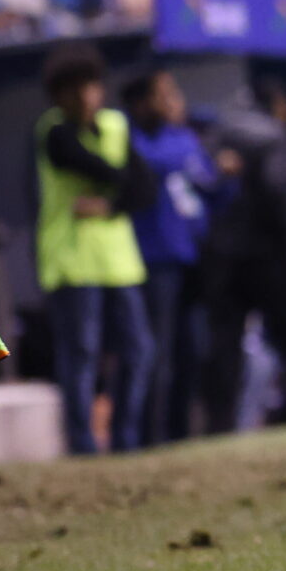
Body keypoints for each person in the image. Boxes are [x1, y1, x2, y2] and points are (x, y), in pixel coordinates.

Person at [34, 44, 155, 454]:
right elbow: (91, 166)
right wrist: (122, 187)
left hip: (118, 259)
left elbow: (145, 188)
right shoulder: (53, 131)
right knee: (81, 353)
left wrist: (109, 202)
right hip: (71, 260)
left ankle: (125, 437)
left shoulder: (117, 127)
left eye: (91, 87)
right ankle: (82, 442)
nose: (86, 97)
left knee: (138, 350)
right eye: (74, 90)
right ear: (59, 95)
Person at [201, 76, 286, 430]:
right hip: (265, 253)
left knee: (224, 343)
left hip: (220, 253)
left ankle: (219, 423)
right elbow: (276, 194)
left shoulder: (218, 131)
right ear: (276, 103)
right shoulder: (273, 134)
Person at [123, 67, 217, 446]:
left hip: (191, 257)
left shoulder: (184, 138)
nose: (173, 100)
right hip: (153, 258)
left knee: (192, 349)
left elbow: (207, 183)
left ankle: (181, 433)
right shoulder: (130, 140)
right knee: (156, 354)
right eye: (164, 93)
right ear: (143, 102)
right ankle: (151, 437)